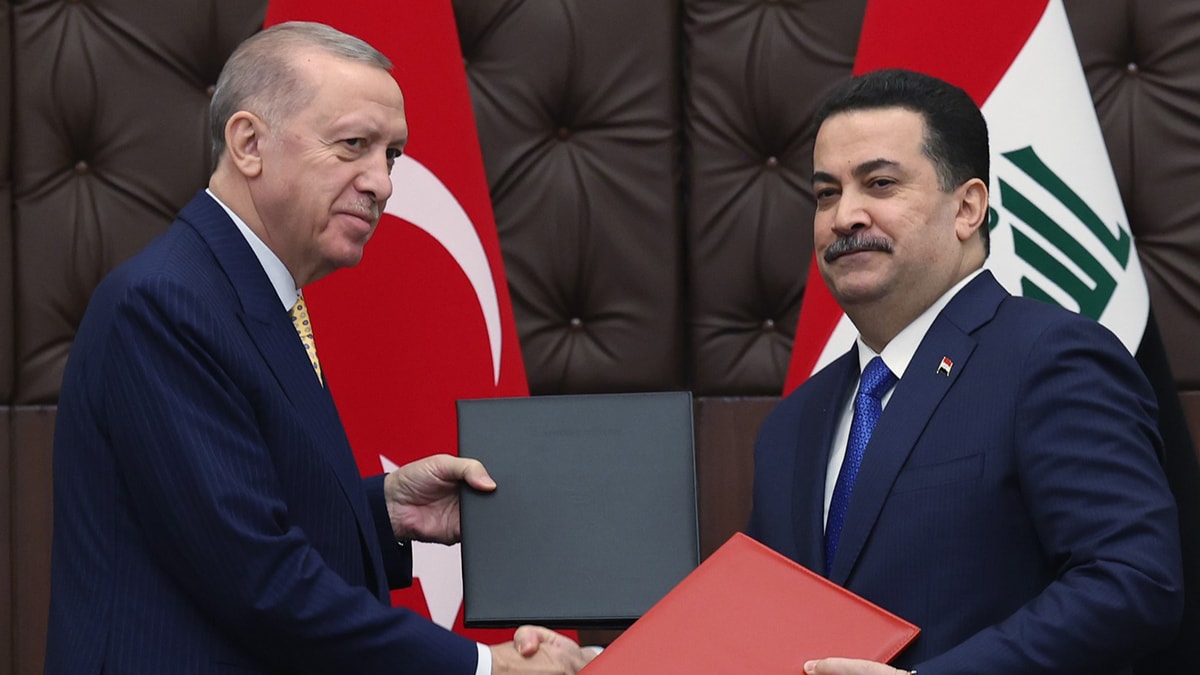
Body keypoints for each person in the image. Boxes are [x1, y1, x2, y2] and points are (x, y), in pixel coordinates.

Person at [44, 21, 595, 675]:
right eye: (354, 145)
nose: (383, 183)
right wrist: (484, 667)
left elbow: (231, 517)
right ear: (249, 143)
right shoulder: (166, 305)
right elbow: (258, 581)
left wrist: (383, 509)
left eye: (391, 155)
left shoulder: (242, 291)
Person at [746, 69, 1183, 675]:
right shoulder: (792, 424)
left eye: (879, 183)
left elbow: (1132, 582)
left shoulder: (1052, 360)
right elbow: (761, 623)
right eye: (826, 193)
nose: (845, 216)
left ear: (968, 207)